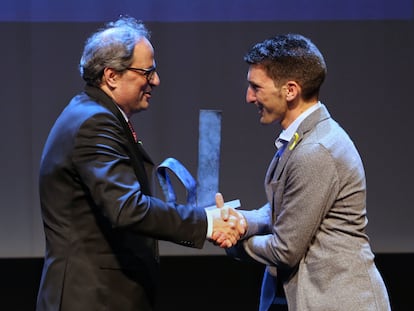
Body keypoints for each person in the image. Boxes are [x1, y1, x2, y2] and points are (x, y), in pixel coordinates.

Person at [36, 16, 245, 311]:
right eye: (147, 72)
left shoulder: (93, 113)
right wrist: (207, 223)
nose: (156, 81)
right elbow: (127, 209)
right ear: (111, 76)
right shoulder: (95, 122)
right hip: (92, 298)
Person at [218, 34, 391, 310]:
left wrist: (236, 241)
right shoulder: (304, 138)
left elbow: (285, 250)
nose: (249, 97)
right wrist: (242, 221)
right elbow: (286, 207)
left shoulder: (317, 149)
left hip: (340, 300)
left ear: (290, 90)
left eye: (255, 87)